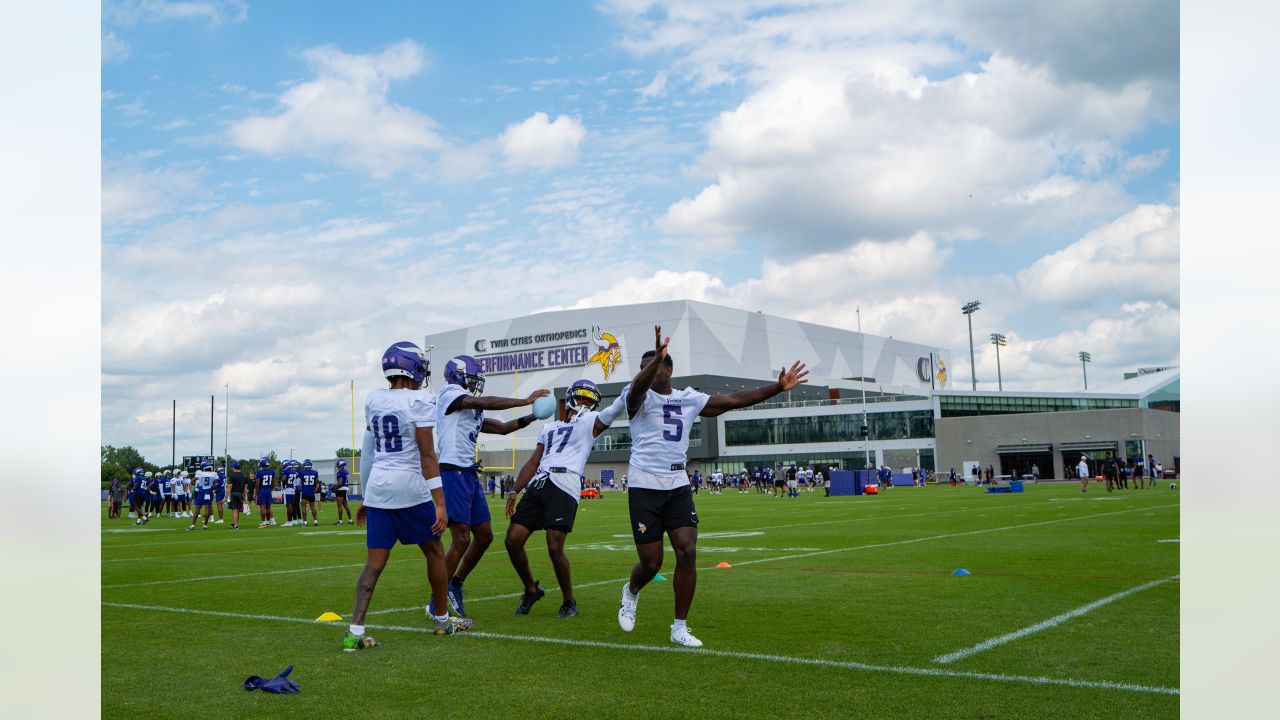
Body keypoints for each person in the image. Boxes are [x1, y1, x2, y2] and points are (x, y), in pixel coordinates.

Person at [612, 325, 808, 647]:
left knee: (687, 553)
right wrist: (651, 362)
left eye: (654, 365)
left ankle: (679, 627)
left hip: (677, 483)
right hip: (645, 484)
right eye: (643, 367)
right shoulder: (638, 398)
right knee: (651, 563)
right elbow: (635, 390)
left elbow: (732, 399)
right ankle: (631, 592)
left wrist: (777, 387)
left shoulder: (687, 399)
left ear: (670, 369)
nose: (646, 372)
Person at [345, 341, 473, 651]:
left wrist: (364, 494)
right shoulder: (420, 400)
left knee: (374, 564)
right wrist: (440, 503)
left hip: (378, 489)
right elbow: (427, 456)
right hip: (410, 488)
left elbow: (369, 450)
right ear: (412, 368)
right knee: (433, 552)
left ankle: (354, 632)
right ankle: (442, 621)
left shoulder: (374, 399)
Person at [432, 354, 551, 619]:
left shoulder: (468, 408)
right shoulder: (449, 393)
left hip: (469, 474)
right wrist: (524, 400)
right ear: (458, 376)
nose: (475, 385)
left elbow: (502, 428)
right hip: (453, 472)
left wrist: (532, 415)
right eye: (471, 379)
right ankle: (436, 600)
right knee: (461, 538)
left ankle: (455, 585)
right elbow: (483, 401)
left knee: (484, 536)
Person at [505, 379, 618, 619]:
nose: (585, 403)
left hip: (565, 484)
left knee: (555, 545)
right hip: (540, 481)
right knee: (512, 540)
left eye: (590, 400)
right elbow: (534, 462)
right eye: (582, 397)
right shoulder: (549, 428)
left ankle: (569, 602)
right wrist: (515, 490)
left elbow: (609, 414)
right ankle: (531, 590)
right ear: (569, 398)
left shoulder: (589, 422)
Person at [188, 461, 217, 530]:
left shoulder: (199, 473)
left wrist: (197, 486)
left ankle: (192, 525)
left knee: (197, 509)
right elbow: (219, 482)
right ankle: (205, 525)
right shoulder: (214, 474)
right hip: (209, 491)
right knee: (207, 509)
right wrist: (213, 487)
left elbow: (192, 482)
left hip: (201, 491)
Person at [226, 461, 249, 529]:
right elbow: (246, 488)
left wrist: (225, 497)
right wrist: (244, 496)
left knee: (234, 509)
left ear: (234, 467)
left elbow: (229, 487)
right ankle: (235, 523)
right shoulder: (244, 475)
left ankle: (236, 525)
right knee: (237, 509)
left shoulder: (232, 475)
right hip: (241, 494)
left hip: (234, 494)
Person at [255, 458, 277, 528]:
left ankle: (264, 522)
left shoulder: (259, 472)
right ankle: (267, 521)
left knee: (262, 507)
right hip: (268, 490)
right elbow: (273, 482)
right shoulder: (272, 471)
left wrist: (256, 493)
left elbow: (257, 484)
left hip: (262, 490)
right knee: (268, 507)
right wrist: (271, 488)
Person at [299, 459, 320, 526]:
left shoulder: (301, 472)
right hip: (311, 492)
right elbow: (317, 484)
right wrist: (314, 490)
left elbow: (298, 482)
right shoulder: (315, 472)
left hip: (304, 491)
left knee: (303, 507)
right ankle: (315, 521)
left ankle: (305, 522)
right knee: (312, 506)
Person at [333, 459, 353, 525]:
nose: (337, 465)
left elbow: (340, 483)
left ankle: (340, 521)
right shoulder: (346, 472)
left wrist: (335, 488)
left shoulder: (340, 472)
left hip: (341, 489)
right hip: (345, 489)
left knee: (339, 506)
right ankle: (350, 520)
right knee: (346, 505)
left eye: (338, 464)